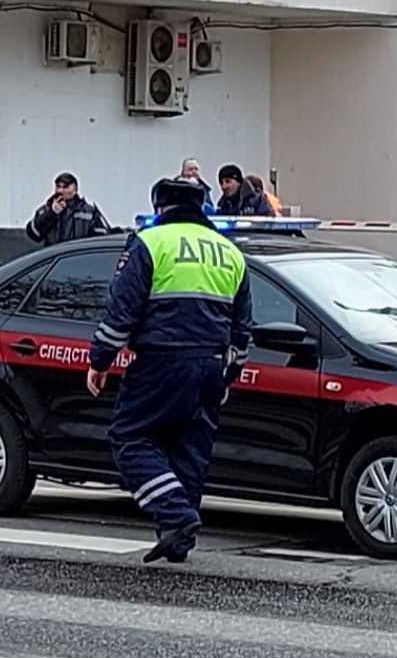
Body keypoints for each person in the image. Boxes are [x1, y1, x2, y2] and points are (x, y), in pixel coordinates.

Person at [86, 177, 253, 564]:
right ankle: (178, 541)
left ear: (161, 208)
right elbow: (243, 329)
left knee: (129, 438)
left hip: (161, 361)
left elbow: (122, 312)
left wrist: (100, 361)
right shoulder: (229, 252)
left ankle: (175, 514)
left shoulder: (149, 243)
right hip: (211, 364)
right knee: (190, 451)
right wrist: (229, 375)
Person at [26, 172, 109, 247]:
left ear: (75, 190)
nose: (61, 191)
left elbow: (100, 239)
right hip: (55, 259)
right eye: (58, 187)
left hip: (79, 259)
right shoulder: (46, 209)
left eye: (66, 187)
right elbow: (34, 234)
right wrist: (52, 213)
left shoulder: (89, 212)